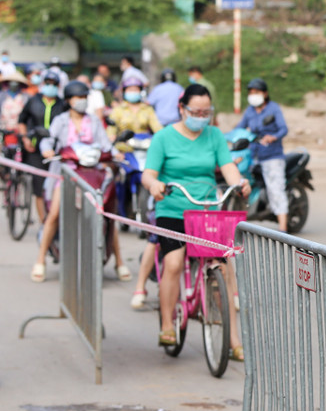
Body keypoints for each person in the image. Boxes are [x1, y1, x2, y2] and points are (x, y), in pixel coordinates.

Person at [141, 84, 250, 356]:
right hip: (173, 209)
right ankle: (167, 325)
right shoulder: (164, 137)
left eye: (206, 112)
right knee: (174, 262)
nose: (202, 116)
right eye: (196, 111)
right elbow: (148, 174)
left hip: (206, 208)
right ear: (182, 109)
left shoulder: (214, 135)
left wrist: (239, 184)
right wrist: (154, 185)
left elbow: (228, 167)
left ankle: (234, 341)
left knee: (224, 269)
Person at [32, 81, 130, 283]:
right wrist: (47, 150)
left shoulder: (94, 121)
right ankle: (40, 260)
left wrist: (115, 154)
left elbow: (105, 144)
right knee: (54, 214)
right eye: (78, 98)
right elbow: (48, 140)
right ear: (69, 100)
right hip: (67, 174)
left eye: (85, 97)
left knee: (107, 214)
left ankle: (120, 262)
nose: (82, 101)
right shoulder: (60, 120)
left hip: (93, 174)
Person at [236, 77, 289, 231]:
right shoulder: (249, 111)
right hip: (253, 156)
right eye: (251, 92)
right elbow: (240, 128)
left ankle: (283, 229)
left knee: (275, 189)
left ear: (265, 94)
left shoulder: (273, 108)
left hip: (272, 155)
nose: (253, 95)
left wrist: (273, 137)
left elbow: (283, 129)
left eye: (257, 92)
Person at [18, 70, 67, 225]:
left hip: (55, 151)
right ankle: (44, 222)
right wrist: (25, 138)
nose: (50, 86)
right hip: (35, 149)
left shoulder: (62, 104)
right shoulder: (33, 101)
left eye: (54, 84)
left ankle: (54, 219)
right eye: (47, 83)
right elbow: (22, 121)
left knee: (54, 185)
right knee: (39, 186)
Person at [0, 72, 30, 138]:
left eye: (16, 82)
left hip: (19, 131)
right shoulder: (2, 95)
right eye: (12, 82)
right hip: (3, 129)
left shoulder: (25, 96)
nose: (13, 84)